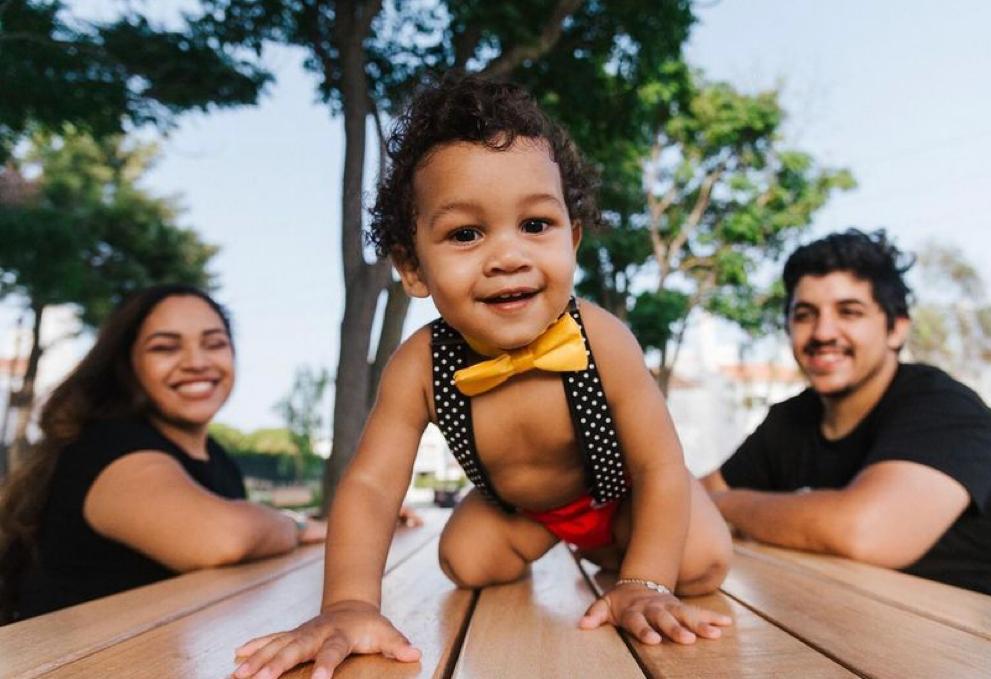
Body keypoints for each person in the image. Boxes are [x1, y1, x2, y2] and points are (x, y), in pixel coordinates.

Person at [232, 74, 734, 679]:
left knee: (702, 564)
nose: (508, 256)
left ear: (572, 240)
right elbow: (369, 487)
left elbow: (659, 465)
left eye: (535, 225)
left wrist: (646, 580)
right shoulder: (421, 364)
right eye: (466, 234)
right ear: (413, 268)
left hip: (626, 495)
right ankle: (591, 554)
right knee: (466, 562)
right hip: (525, 513)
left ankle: (620, 562)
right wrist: (348, 603)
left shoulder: (600, 339)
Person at [702, 229, 991, 603]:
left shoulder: (943, 408)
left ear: (896, 328)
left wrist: (728, 505)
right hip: (861, 633)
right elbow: (686, 500)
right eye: (805, 315)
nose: (823, 332)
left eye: (849, 312)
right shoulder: (791, 420)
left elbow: (862, 532)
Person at [0, 284, 330, 623]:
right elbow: (222, 538)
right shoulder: (108, 446)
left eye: (214, 343)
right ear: (128, 366)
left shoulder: (218, 458)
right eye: (165, 348)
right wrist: (297, 526)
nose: (196, 362)